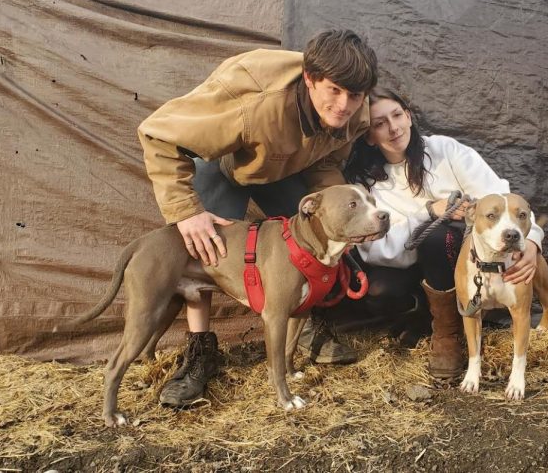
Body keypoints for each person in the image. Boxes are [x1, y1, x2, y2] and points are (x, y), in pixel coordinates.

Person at [137, 30, 378, 407]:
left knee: (311, 243)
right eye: (334, 90)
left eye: (355, 95)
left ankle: (308, 322)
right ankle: (200, 353)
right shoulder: (252, 98)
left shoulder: (355, 109)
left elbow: (328, 163)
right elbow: (158, 135)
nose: (344, 105)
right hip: (222, 163)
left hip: (282, 170)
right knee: (204, 252)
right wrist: (187, 212)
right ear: (310, 78)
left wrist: (341, 220)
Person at [344, 88, 543, 379]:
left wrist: (534, 241)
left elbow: (502, 198)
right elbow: (378, 251)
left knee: (439, 238)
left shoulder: (445, 150)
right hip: (407, 263)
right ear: (369, 136)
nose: (394, 127)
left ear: (409, 117)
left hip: (460, 258)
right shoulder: (369, 184)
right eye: (379, 123)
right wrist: (428, 211)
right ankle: (428, 318)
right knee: (379, 291)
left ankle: (447, 336)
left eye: (397, 115)